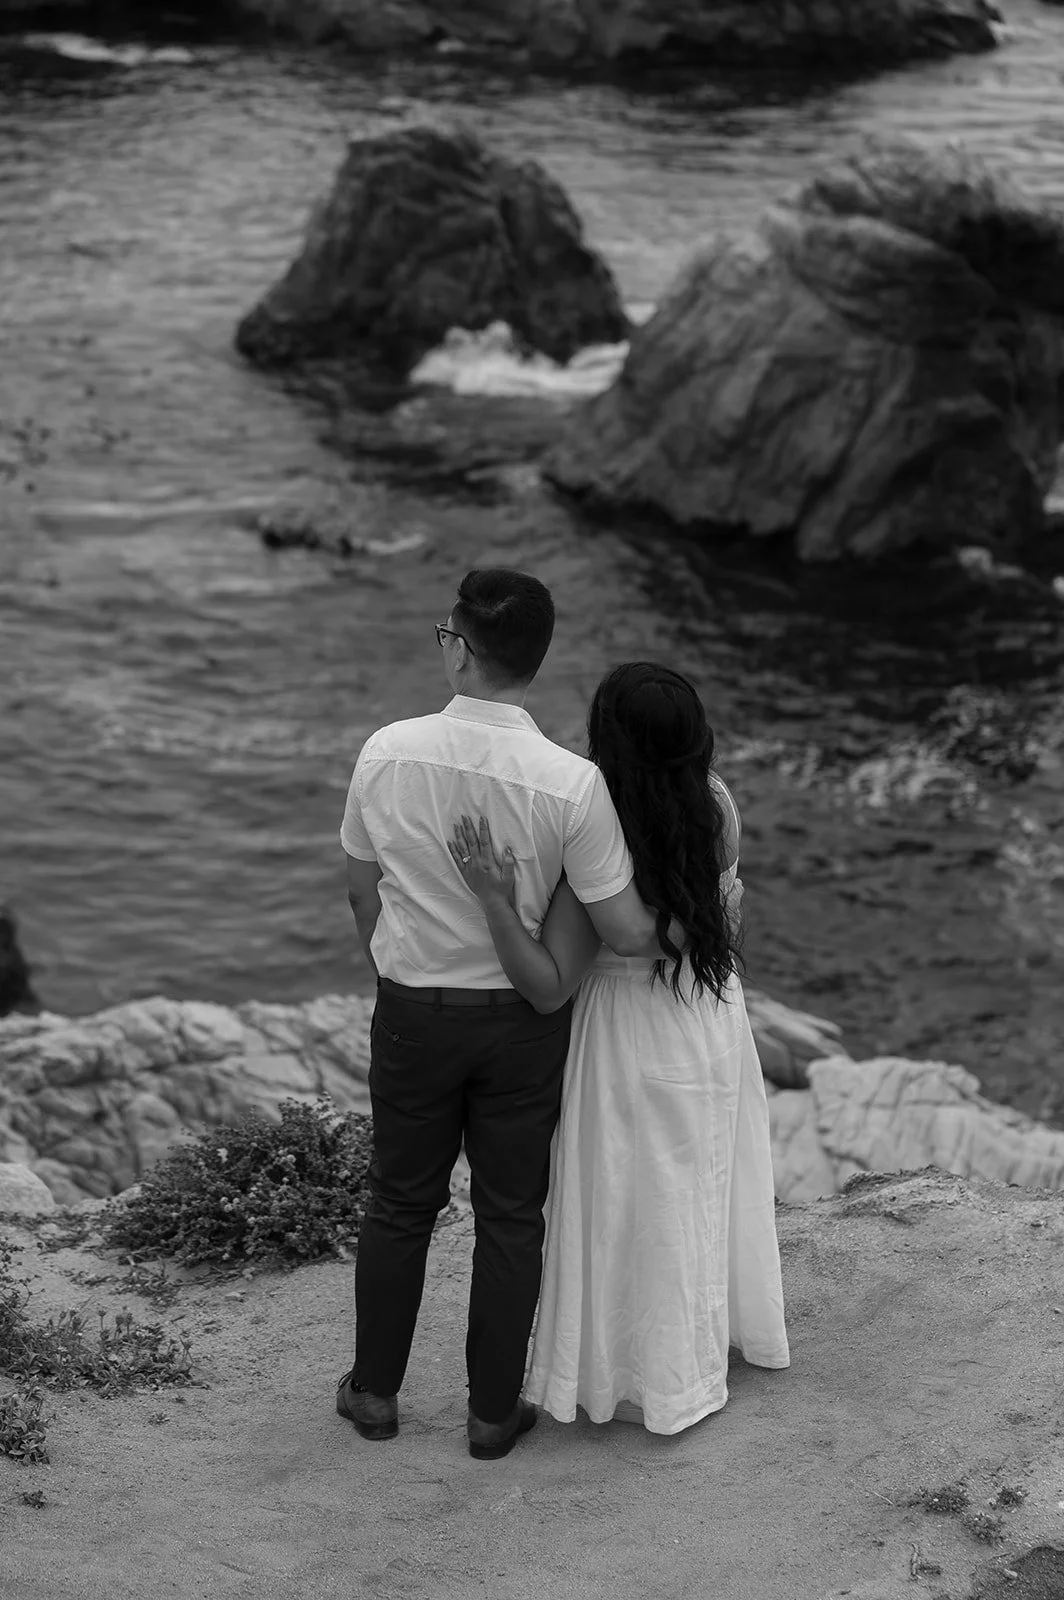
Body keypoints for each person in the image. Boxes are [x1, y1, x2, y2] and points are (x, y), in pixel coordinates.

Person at [337, 570, 660, 1460]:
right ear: (536, 658)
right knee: (512, 1214)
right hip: (521, 1021)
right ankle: (489, 1414)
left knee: (399, 1202)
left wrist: (392, 964)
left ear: (458, 648)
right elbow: (613, 921)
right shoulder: (573, 784)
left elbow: (360, 884)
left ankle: (373, 1395)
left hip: (412, 1010)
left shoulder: (386, 751)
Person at [448, 661, 790, 1436]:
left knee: (618, 1198)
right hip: (707, 1014)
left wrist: (498, 900)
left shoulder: (588, 818)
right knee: (697, 1188)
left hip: (622, 1025)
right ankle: (694, 1356)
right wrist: (691, 935)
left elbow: (555, 979)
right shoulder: (718, 805)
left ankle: (623, 1370)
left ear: (609, 740)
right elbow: (727, 926)